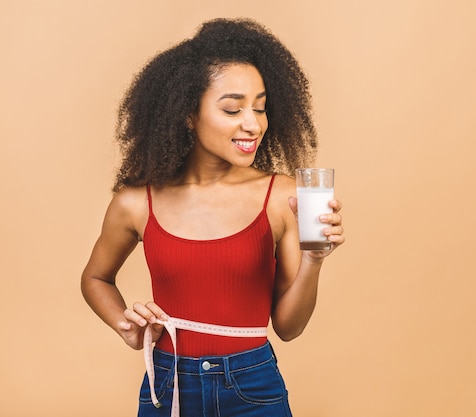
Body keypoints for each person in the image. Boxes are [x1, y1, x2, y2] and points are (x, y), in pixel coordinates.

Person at [81, 18, 345, 417]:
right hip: (167, 387)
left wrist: (314, 259)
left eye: (260, 107)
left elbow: (289, 328)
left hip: (252, 386)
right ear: (188, 114)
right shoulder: (136, 202)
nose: (253, 124)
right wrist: (125, 324)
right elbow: (95, 277)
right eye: (232, 108)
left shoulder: (284, 197)